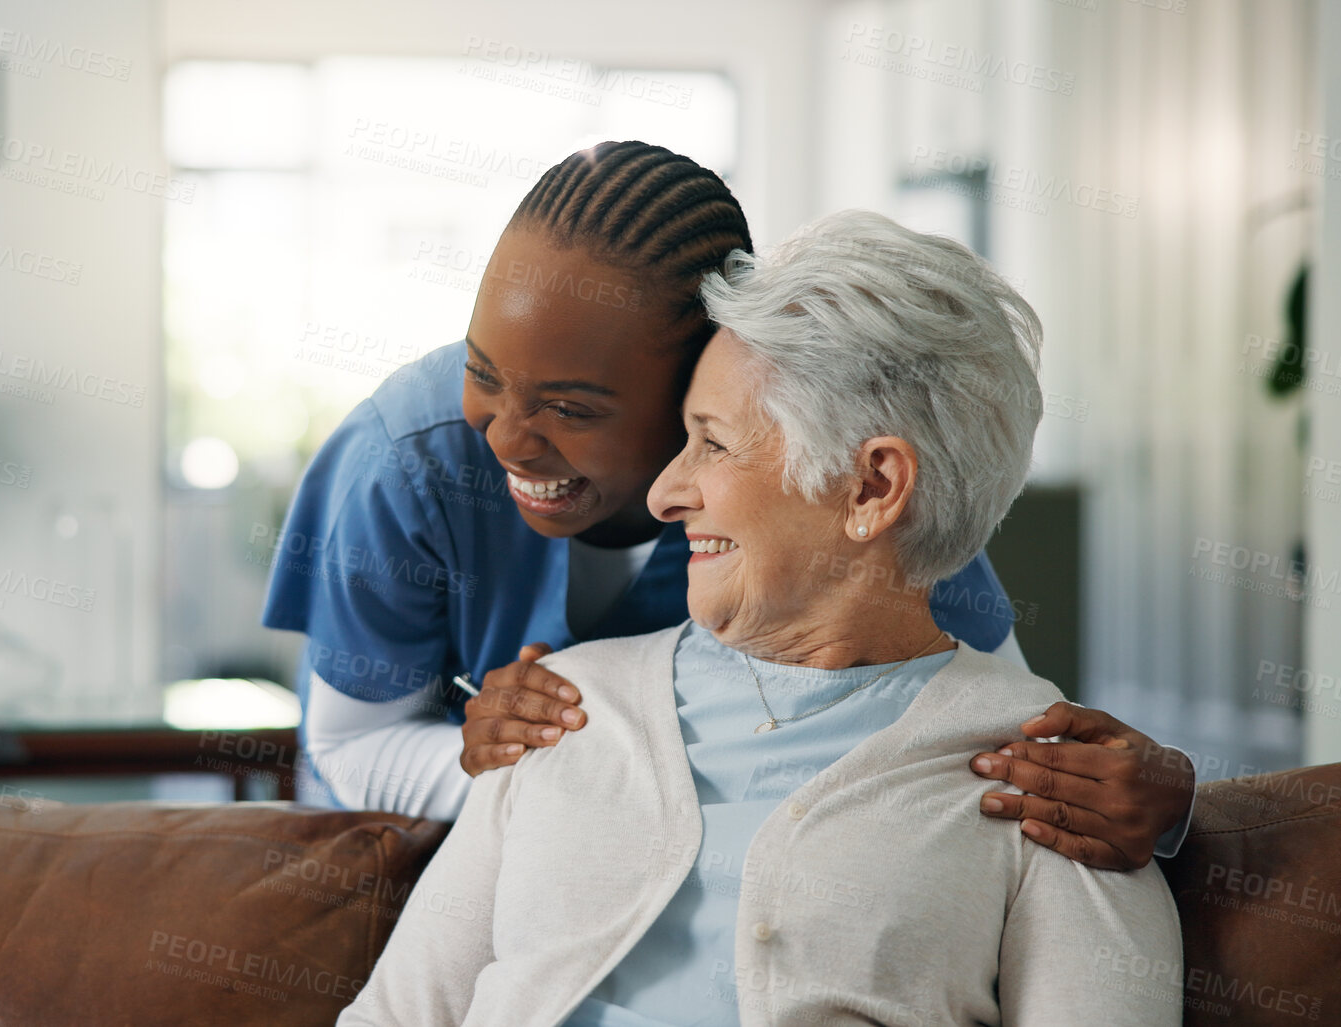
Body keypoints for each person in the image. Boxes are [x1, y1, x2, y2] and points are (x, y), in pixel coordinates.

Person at [338, 212, 1183, 1025]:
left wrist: (1182, 806)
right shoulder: (556, 708)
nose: (665, 493)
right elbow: (395, 1013)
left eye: (711, 442)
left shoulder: (1061, 790)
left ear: (872, 487)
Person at [262, 141, 1195, 870]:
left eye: (572, 408)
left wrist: (1161, 808)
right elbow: (351, 747)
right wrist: (499, 764)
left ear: (703, 381)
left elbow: (989, 731)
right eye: (481, 372)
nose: (506, 436)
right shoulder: (409, 459)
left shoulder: (826, 491)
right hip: (439, 852)